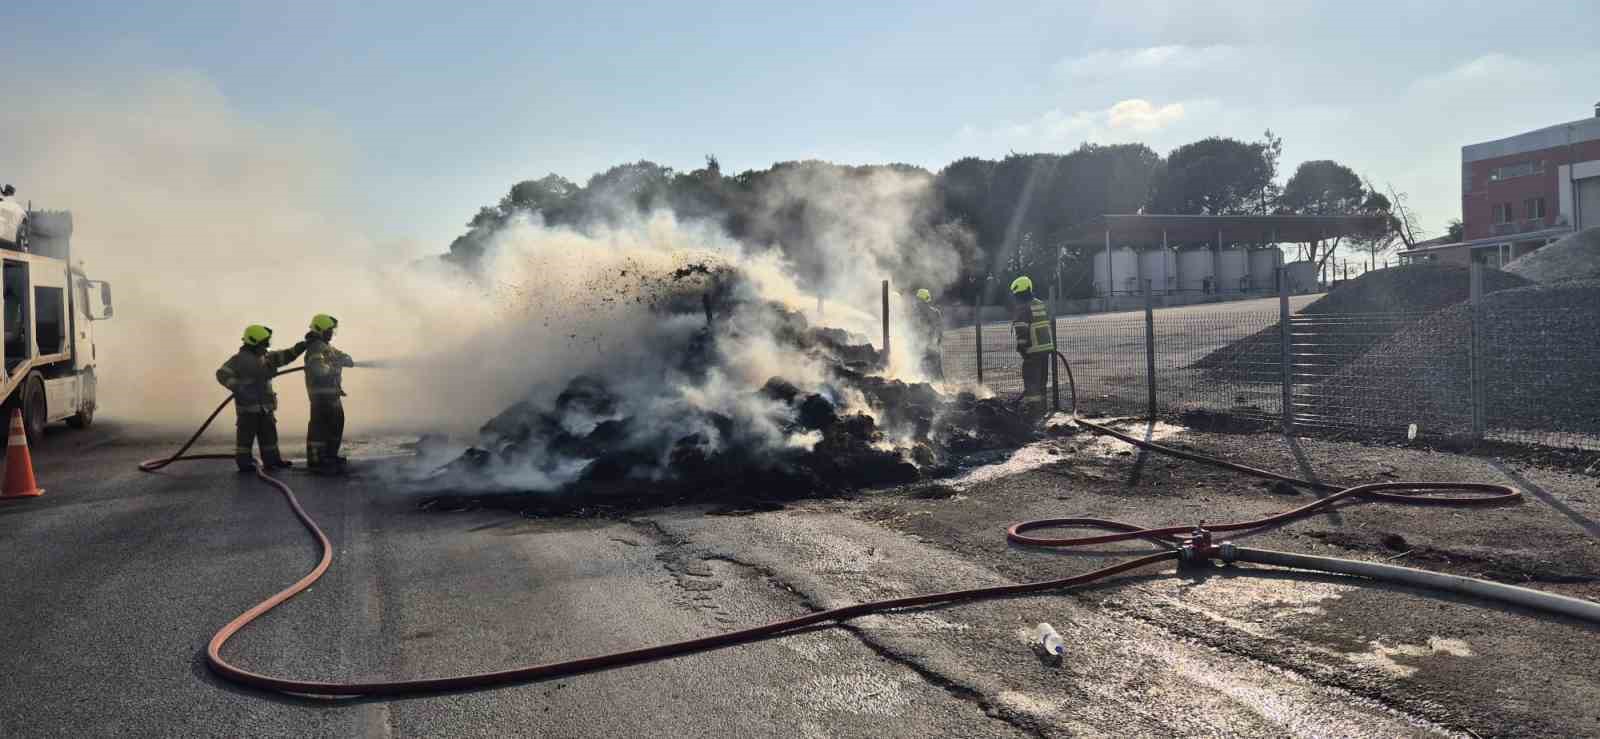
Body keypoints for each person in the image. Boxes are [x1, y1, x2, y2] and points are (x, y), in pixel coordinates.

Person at [216, 325, 306, 472]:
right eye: (264, 343)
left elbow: (286, 355)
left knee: (269, 438)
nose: (267, 346)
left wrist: (302, 346)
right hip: (247, 409)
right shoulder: (238, 360)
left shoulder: (266, 358)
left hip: (266, 408)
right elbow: (222, 374)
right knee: (245, 439)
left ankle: (273, 462)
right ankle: (245, 464)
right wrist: (238, 386)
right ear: (254, 342)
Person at [303, 314, 356, 474]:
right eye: (329, 330)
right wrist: (334, 366)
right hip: (321, 396)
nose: (332, 333)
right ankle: (316, 460)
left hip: (332, 395)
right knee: (319, 428)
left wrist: (346, 359)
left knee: (336, 424)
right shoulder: (316, 347)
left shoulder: (326, 346)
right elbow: (318, 369)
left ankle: (330, 456)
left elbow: (343, 356)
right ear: (320, 330)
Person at [1009, 276, 1055, 411]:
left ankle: (1033, 409)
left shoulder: (1023, 308)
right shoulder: (1039, 303)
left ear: (1019, 293)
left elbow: (1021, 330)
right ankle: (1043, 407)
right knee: (1042, 380)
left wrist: (1022, 348)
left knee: (1031, 380)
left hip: (1032, 349)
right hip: (1045, 348)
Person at [914, 288, 944, 380]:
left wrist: (934, 342)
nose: (917, 303)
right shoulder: (933, 312)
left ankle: (940, 385)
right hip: (925, 345)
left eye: (919, 300)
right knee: (928, 370)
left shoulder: (931, 313)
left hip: (929, 345)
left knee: (933, 369)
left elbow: (938, 329)